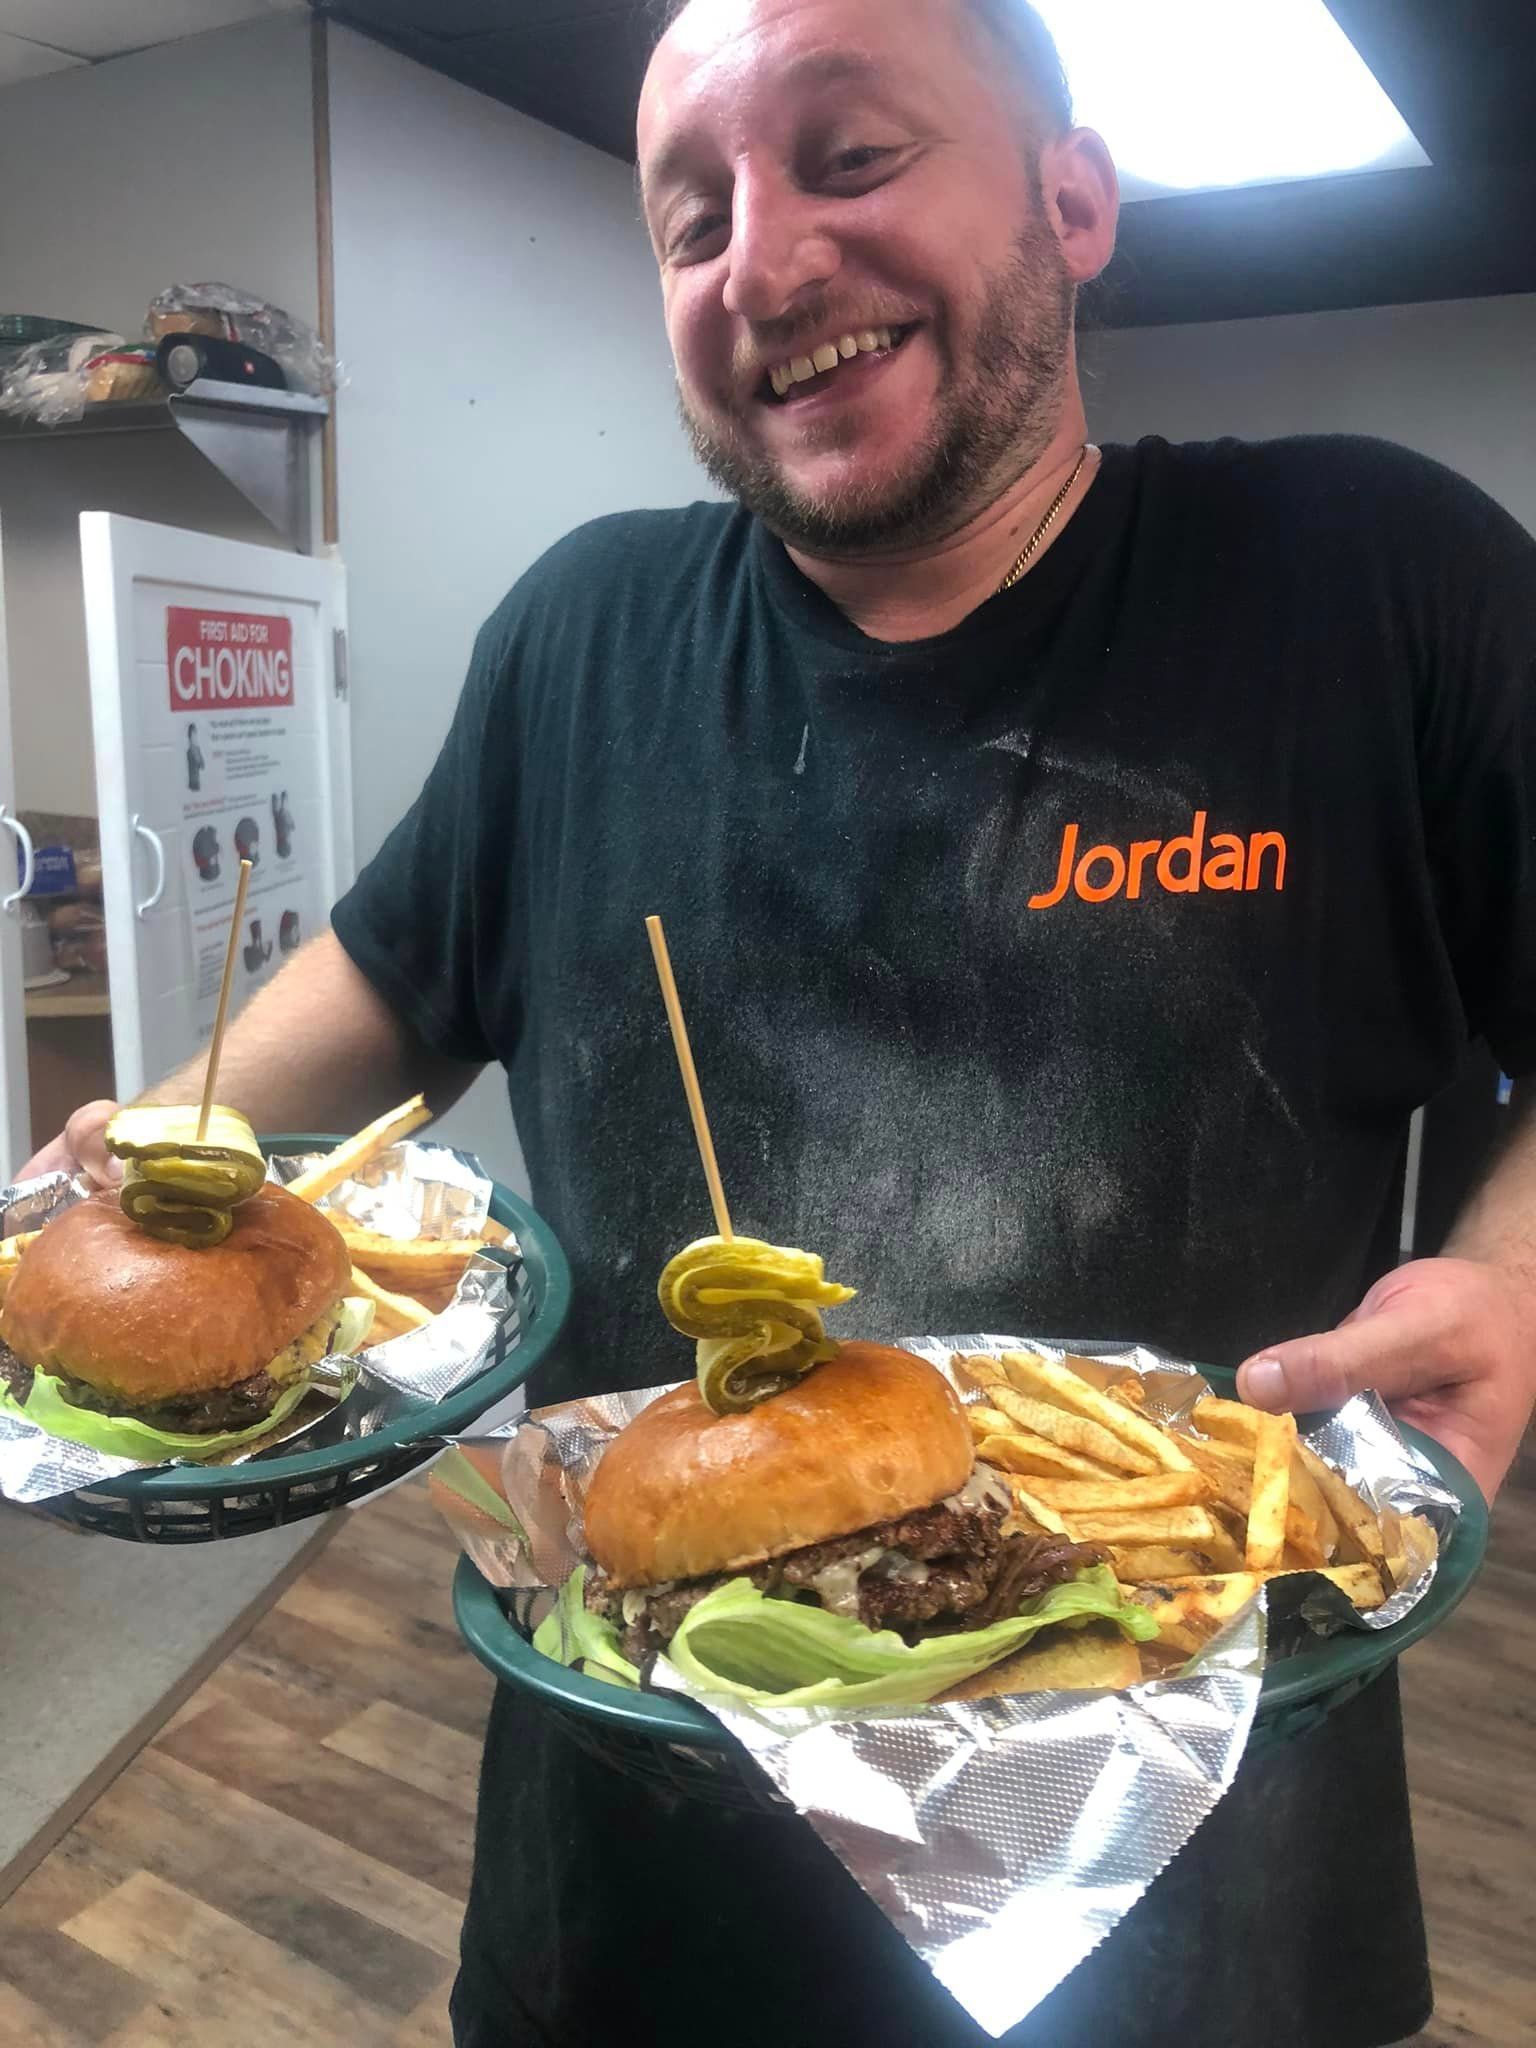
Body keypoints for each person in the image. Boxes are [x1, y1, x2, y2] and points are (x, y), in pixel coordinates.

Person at [24, 1, 1536, 2042]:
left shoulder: (1385, 581)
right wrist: (144, 1150)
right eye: (689, 217)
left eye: (849, 157)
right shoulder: (582, 630)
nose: (762, 260)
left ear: (1075, 200)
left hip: (1193, 1860)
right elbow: (395, 968)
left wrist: (1513, 1277)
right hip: (639, 1838)